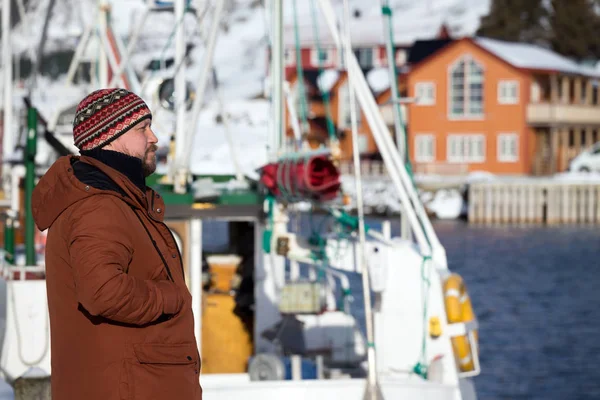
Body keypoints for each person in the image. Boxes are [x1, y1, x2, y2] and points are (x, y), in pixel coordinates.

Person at [32, 88, 202, 400]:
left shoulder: (117, 203)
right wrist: (172, 296)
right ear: (110, 138)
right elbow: (103, 292)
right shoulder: (99, 207)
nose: (154, 138)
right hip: (128, 387)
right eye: (142, 128)